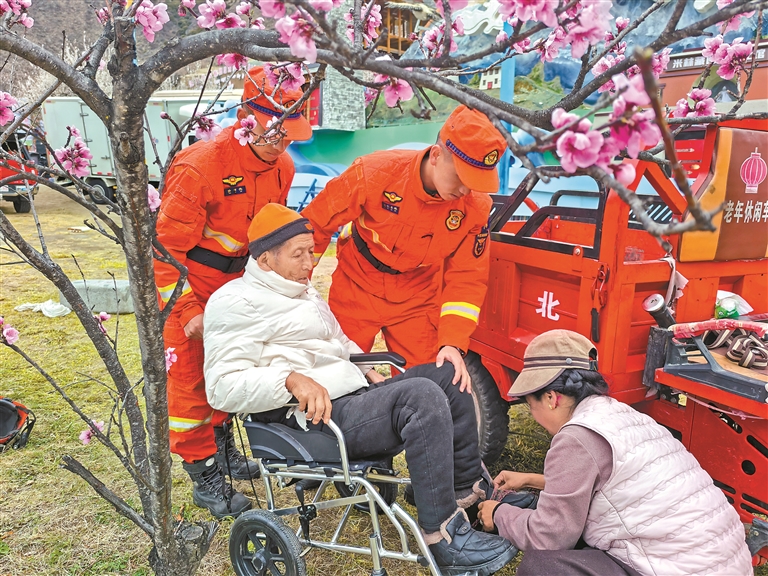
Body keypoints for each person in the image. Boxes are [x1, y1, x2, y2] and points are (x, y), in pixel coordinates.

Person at [202, 203, 518, 576]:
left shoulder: (302, 290)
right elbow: (221, 388)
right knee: (420, 398)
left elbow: (338, 342)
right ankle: (442, 538)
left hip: (350, 399)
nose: (310, 263)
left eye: (311, 251)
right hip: (311, 419)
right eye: (299, 254)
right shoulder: (233, 302)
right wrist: (288, 379)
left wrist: (368, 370)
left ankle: (467, 494)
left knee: (447, 375)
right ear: (266, 259)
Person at [153, 66, 312, 519]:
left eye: (289, 134)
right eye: (275, 132)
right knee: (190, 382)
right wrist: (187, 309)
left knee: (232, 369)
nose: (282, 143)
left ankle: (222, 449)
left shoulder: (283, 168)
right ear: (247, 118)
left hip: (239, 288)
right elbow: (164, 251)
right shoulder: (201, 166)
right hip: (191, 285)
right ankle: (202, 471)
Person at [476, 329, 753, 576]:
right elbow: (617, 487)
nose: (534, 415)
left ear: (551, 398)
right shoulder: (617, 415)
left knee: (542, 568)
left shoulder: (576, 437)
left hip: (677, 566)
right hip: (721, 561)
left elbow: (549, 537)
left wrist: (499, 514)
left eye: (530, 405)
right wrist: (532, 480)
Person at [301, 105, 507, 388]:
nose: (465, 190)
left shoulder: (475, 208)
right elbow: (314, 227)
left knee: (422, 386)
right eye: (461, 177)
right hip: (358, 285)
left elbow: (467, 279)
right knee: (337, 375)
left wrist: (453, 343)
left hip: (418, 298)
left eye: (475, 182)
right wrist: (298, 289)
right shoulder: (373, 173)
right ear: (436, 156)